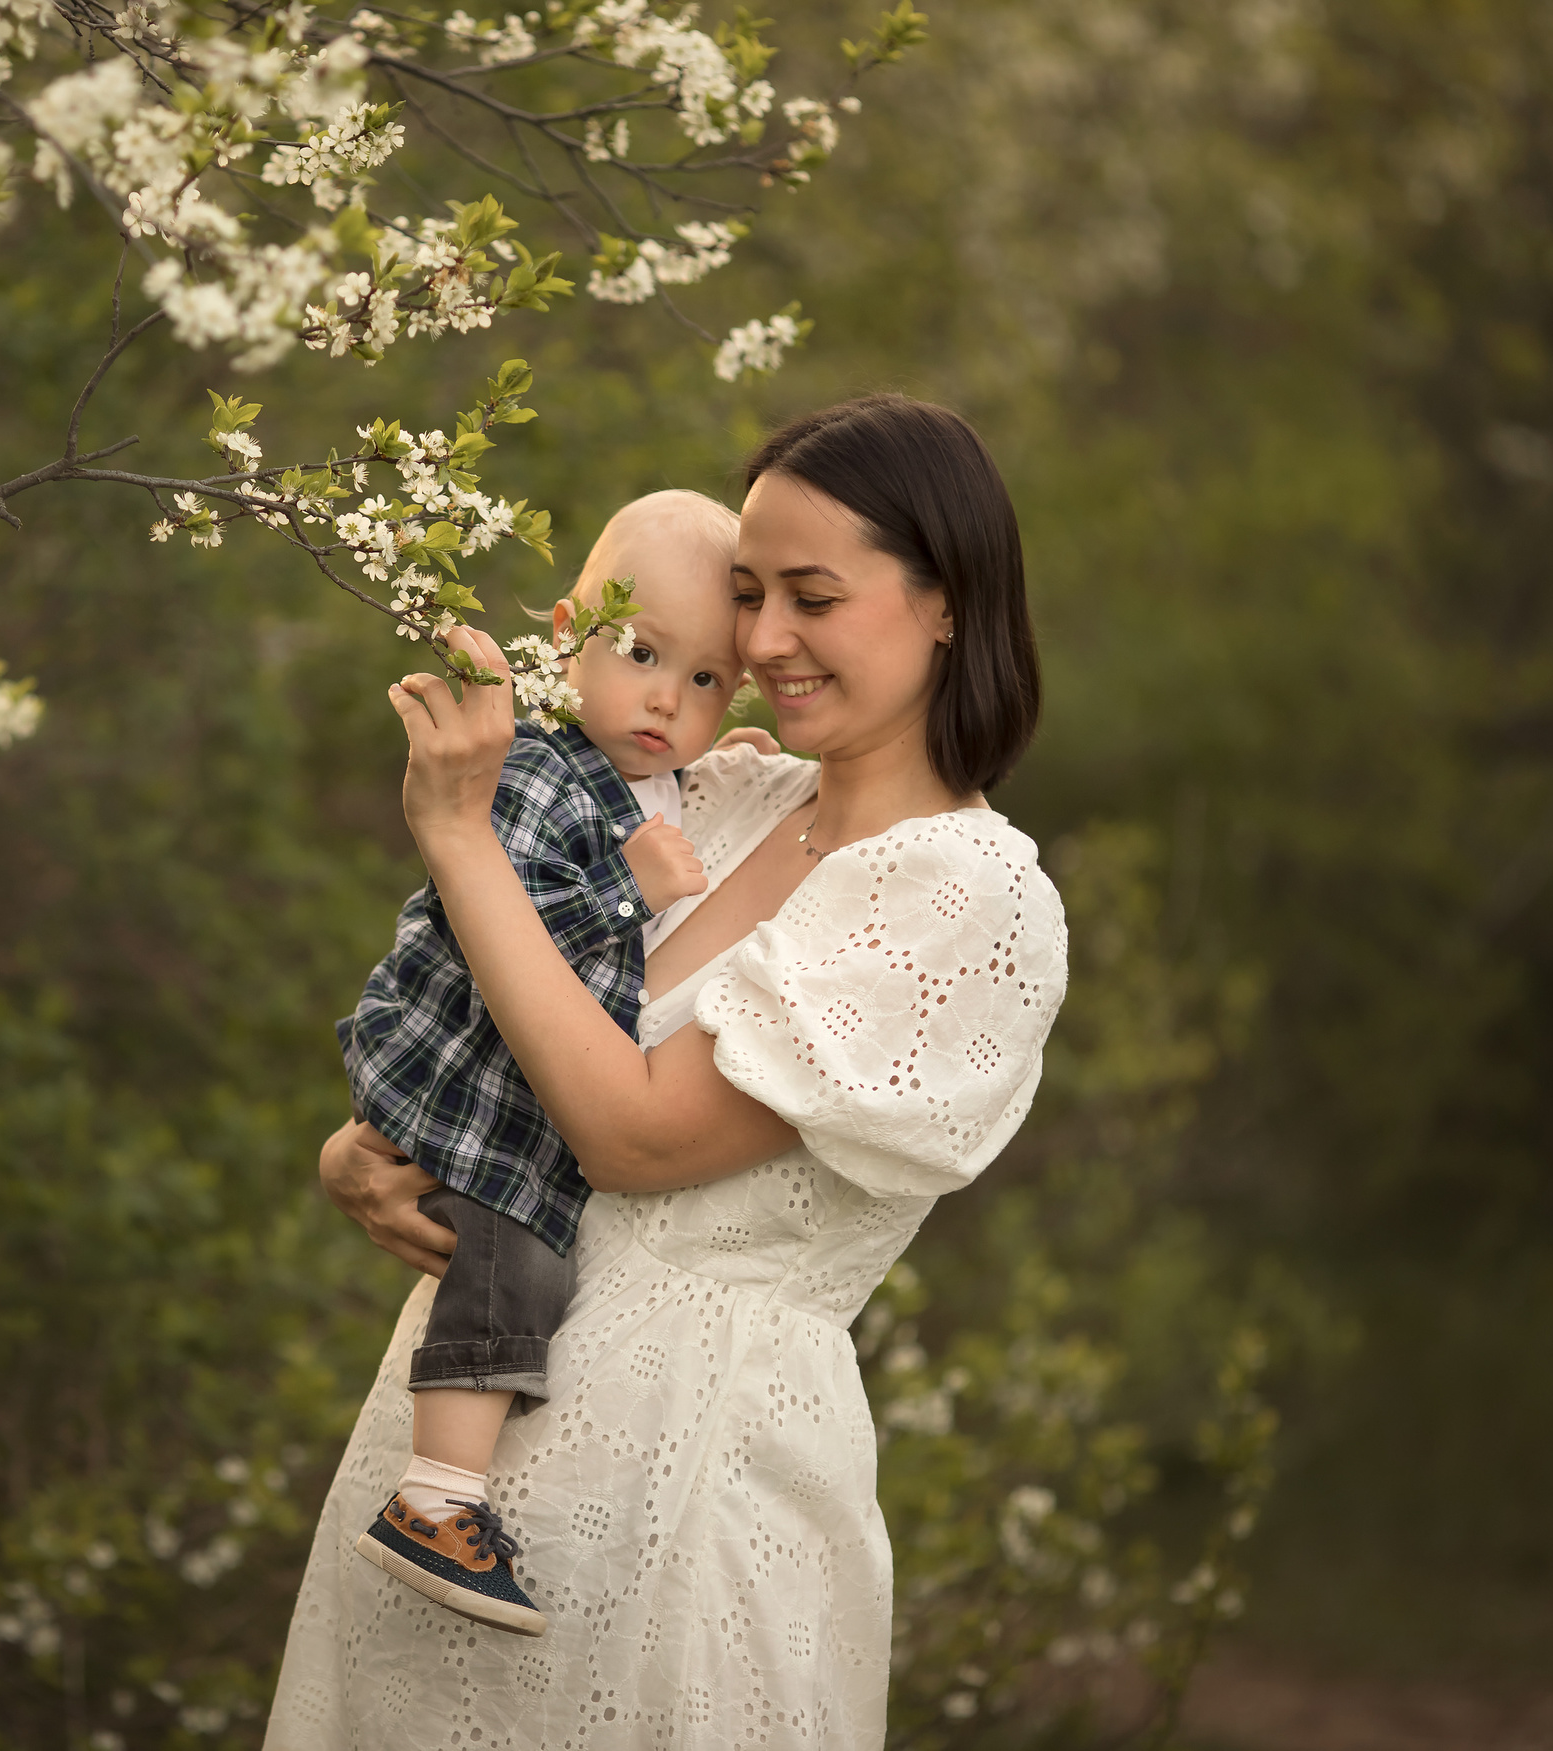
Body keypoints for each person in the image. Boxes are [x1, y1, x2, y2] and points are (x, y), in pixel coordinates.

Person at [267, 395, 1069, 1749]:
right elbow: (504, 1029)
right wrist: (369, 1141)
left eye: (812, 595)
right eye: (747, 594)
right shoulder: (725, 796)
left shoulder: (963, 894)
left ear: (947, 600)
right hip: (448, 1459)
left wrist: (456, 836)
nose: (758, 643)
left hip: (687, 1485)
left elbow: (633, 1137)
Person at [340, 489, 745, 1637]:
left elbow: (684, 808)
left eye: (708, 679)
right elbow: (501, 926)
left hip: (522, 1083)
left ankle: (445, 1486)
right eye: (639, 650)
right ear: (566, 629)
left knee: (519, 1253)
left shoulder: (650, 775)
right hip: (474, 1076)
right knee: (513, 1258)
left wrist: (727, 774)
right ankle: (438, 1496)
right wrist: (636, 887)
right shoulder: (531, 766)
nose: (667, 696)